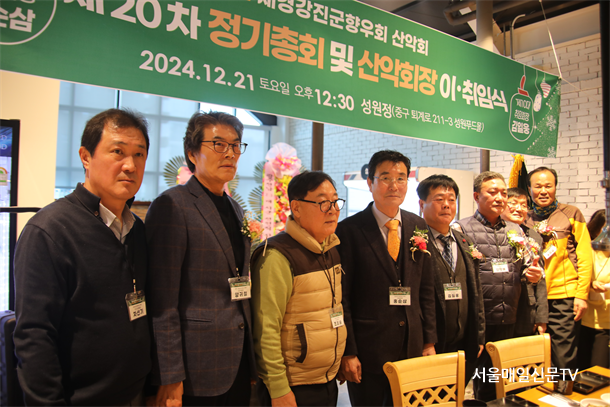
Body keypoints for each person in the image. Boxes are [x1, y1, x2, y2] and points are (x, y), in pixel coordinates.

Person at [13, 108, 151, 405]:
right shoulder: (49, 230)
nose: (130, 165)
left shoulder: (137, 229)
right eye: (118, 151)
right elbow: (34, 336)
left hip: (134, 394)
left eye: (139, 155)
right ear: (85, 157)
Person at [146, 111, 256, 407]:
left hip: (236, 358)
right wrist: (169, 376)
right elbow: (162, 301)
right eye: (219, 144)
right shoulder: (172, 205)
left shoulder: (235, 208)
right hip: (195, 366)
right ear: (192, 153)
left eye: (236, 145)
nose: (230, 153)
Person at [336, 150, 436, 407]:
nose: (394, 185)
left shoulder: (418, 226)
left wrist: (428, 341)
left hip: (411, 347)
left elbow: (426, 290)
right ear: (370, 183)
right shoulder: (348, 230)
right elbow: (343, 297)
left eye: (401, 178)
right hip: (368, 350)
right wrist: (349, 351)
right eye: (386, 177)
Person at [251, 171, 346, 407]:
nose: (333, 210)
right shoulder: (277, 255)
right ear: (296, 207)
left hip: (326, 380)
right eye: (323, 202)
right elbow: (266, 328)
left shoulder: (330, 248)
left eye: (335, 201)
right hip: (293, 386)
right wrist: (278, 388)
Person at [455, 172, 541, 402]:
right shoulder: (461, 229)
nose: (500, 197)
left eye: (503, 193)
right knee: (465, 380)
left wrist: (534, 273)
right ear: (476, 196)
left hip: (508, 317)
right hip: (477, 320)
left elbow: (529, 265)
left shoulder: (516, 230)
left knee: (497, 381)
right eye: (492, 192)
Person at [416, 174, 485, 381]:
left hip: (463, 342)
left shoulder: (464, 241)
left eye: (451, 199)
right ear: (422, 204)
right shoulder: (414, 242)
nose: (446, 205)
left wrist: (479, 336)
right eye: (439, 199)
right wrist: (426, 341)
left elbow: (477, 292)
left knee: (458, 392)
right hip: (431, 344)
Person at [525, 167, 592, 373]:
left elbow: (585, 256)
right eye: (538, 186)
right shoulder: (524, 217)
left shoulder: (571, 213)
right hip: (532, 298)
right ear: (529, 188)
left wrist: (581, 295)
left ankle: (564, 391)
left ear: (555, 187)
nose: (543, 191)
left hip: (563, 295)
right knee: (533, 355)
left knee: (564, 354)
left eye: (548, 186)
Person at [501, 187, 549, 338]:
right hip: (499, 305)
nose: (519, 208)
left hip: (526, 306)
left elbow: (541, 279)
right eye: (513, 203)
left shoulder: (533, 236)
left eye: (523, 205)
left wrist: (541, 317)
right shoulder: (491, 232)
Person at [578, 210, 609, 369]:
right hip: (584, 317)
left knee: (599, 368)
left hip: (606, 320)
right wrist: (590, 283)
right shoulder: (587, 250)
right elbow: (577, 274)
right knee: (583, 366)